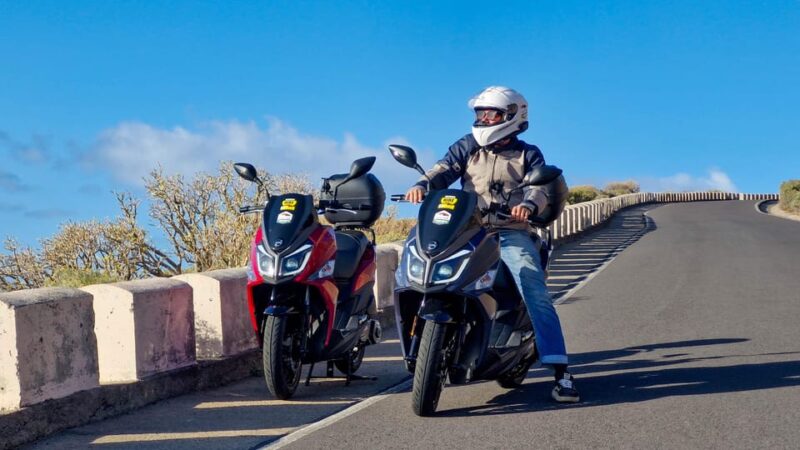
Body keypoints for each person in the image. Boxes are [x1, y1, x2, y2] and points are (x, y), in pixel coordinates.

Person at [404, 86, 580, 403]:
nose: (484, 118)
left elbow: (538, 187)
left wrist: (528, 205)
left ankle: (560, 372)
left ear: (512, 116)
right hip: (467, 230)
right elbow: (444, 169)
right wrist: (422, 183)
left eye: (492, 113)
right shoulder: (468, 146)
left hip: (509, 231)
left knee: (533, 286)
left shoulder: (529, 153)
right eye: (480, 113)